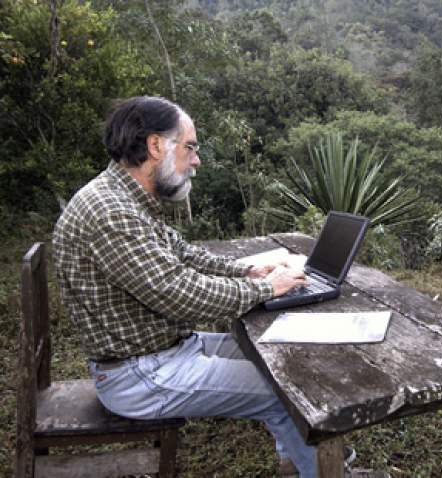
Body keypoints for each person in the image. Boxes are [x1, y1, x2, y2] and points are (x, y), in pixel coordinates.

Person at [52, 96, 319, 476]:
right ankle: (328, 470)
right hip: (140, 374)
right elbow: (179, 293)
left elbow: (184, 255)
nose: (197, 161)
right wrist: (267, 289)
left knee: (275, 356)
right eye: (190, 148)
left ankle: (297, 461)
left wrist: (249, 272)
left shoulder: (125, 197)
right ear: (155, 145)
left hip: (164, 350)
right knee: (287, 393)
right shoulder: (110, 212)